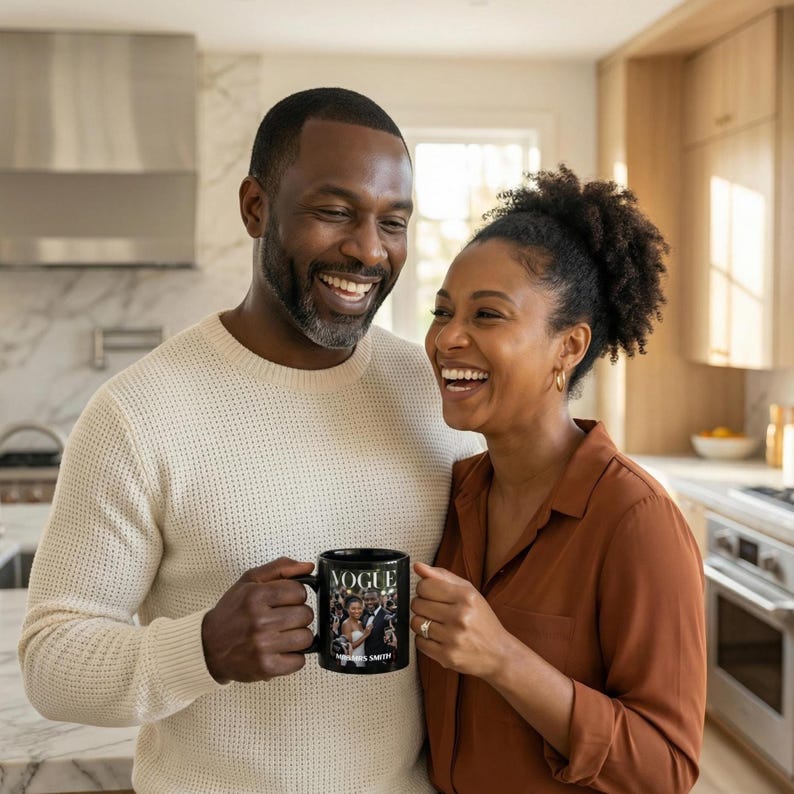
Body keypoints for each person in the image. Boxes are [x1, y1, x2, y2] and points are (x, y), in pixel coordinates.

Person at [18, 87, 480, 794]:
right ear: (255, 208)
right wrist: (200, 649)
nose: (367, 250)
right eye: (334, 212)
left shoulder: (430, 394)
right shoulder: (139, 413)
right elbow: (52, 661)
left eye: (393, 221)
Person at [410, 166, 706, 793]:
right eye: (443, 312)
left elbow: (667, 771)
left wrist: (503, 657)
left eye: (487, 315)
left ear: (568, 347)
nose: (447, 338)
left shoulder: (636, 520)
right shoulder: (454, 493)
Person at [340, 595, 370, 667]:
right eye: (353, 609)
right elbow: (348, 647)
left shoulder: (360, 623)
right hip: (352, 659)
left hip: (361, 657)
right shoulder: (346, 624)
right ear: (347, 609)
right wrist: (365, 635)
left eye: (359, 608)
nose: (357, 611)